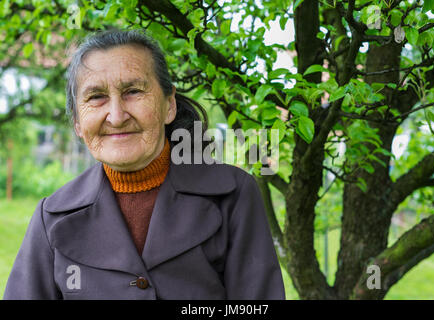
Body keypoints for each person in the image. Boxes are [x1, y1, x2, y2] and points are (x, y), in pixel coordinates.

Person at [3, 30, 285, 300]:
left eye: (134, 91)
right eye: (96, 97)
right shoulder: (52, 217)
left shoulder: (233, 196)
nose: (116, 116)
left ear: (169, 105)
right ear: (77, 122)